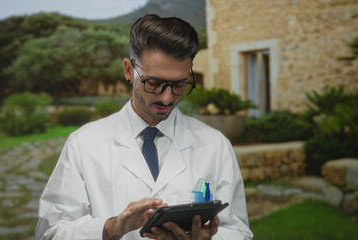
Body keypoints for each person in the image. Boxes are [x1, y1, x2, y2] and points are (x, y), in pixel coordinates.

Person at [36, 14, 253, 240]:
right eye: (154, 83)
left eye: (179, 85)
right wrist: (111, 228)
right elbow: (51, 233)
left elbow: (238, 231)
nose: (167, 98)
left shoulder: (215, 145)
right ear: (129, 70)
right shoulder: (83, 144)